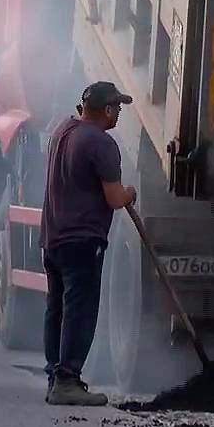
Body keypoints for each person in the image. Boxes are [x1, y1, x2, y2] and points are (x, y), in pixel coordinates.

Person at [38, 81, 138, 406]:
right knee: (80, 309)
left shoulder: (62, 131)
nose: (119, 113)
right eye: (118, 108)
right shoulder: (101, 144)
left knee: (56, 308)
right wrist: (130, 193)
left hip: (53, 237)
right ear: (107, 110)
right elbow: (113, 198)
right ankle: (68, 379)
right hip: (82, 239)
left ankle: (55, 376)